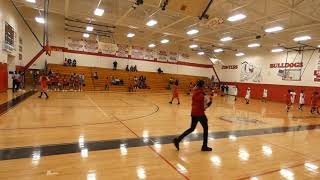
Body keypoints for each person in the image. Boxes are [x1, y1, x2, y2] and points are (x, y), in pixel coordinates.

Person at [173, 80, 212, 152]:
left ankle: (178, 140)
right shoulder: (203, 95)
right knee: (205, 128)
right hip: (200, 114)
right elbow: (205, 106)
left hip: (193, 113)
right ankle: (204, 146)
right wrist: (210, 103)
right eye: (204, 85)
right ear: (202, 85)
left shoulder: (195, 92)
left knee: (191, 129)